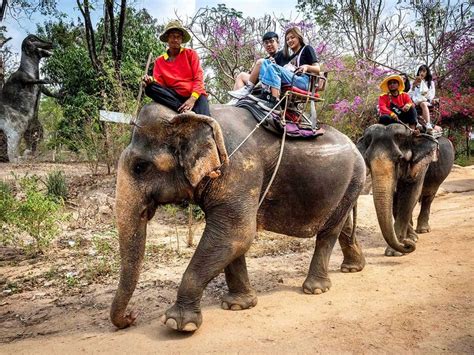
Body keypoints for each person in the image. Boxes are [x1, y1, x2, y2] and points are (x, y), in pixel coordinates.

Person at [228, 27, 319, 111]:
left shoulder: (307, 48)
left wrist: (307, 67)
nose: (290, 40)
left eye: (292, 37)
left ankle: (273, 100)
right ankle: (242, 96)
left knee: (266, 64)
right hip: (293, 79)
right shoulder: (293, 56)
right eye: (287, 39)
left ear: (299, 37)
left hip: (303, 81)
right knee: (263, 65)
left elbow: (317, 68)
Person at [143, 20, 210, 116]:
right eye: (172, 36)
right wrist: (150, 80)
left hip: (194, 94)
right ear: (167, 38)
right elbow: (159, 83)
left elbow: (198, 78)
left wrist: (192, 99)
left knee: (207, 124)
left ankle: (189, 107)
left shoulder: (191, 54)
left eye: (178, 37)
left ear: (182, 39)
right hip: (174, 96)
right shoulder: (159, 61)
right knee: (150, 88)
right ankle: (182, 109)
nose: (175, 40)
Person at [408, 64, 436, 133]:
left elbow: (431, 96)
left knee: (423, 104)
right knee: (410, 105)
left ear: (427, 73)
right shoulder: (413, 82)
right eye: (420, 71)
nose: (421, 73)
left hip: (426, 101)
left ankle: (428, 124)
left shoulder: (430, 83)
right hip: (415, 102)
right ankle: (416, 123)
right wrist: (414, 86)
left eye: (424, 71)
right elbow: (409, 95)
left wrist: (422, 84)